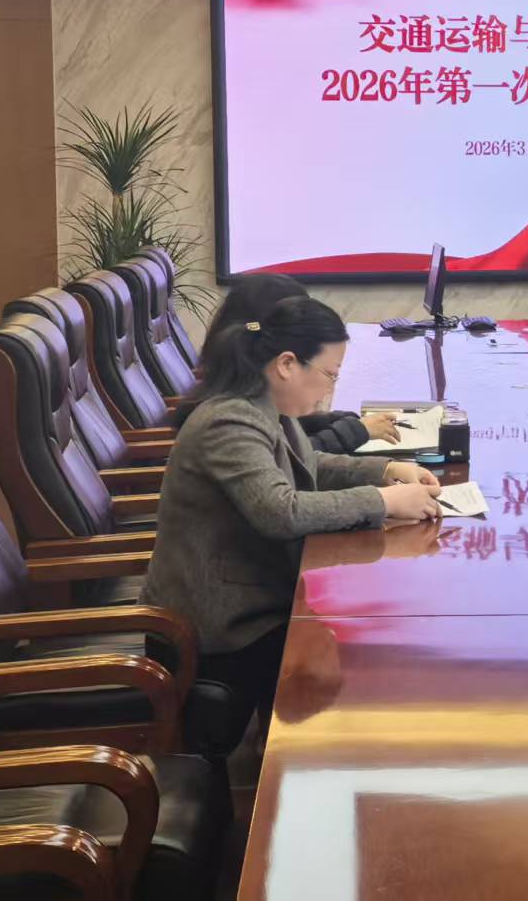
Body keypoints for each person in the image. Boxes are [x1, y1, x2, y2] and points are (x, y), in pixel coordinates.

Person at [143, 295, 441, 731]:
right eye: (329, 375)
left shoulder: (264, 406)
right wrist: (384, 501)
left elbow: (307, 464)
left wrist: (385, 469)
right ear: (286, 364)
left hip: (253, 598)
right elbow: (281, 511)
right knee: (373, 679)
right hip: (217, 625)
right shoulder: (229, 420)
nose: (330, 390)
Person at [199, 273, 403, 452]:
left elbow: (290, 433)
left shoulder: (247, 385)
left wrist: (336, 421)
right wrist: (354, 432)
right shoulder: (232, 420)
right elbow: (291, 459)